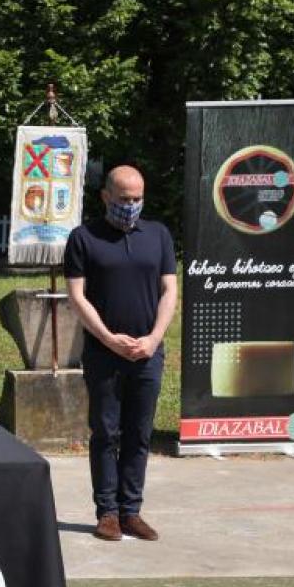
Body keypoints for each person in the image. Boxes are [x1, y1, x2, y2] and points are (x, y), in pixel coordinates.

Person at [65, 165, 177, 542]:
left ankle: (131, 511)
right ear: (106, 197)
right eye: (124, 199)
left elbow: (169, 291)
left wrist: (154, 338)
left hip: (148, 352)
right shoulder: (83, 238)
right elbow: (77, 296)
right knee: (105, 432)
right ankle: (107, 513)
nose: (131, 205)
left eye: (137, 199)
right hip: (103, 354)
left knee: (139, 433)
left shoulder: (158, 235)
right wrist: (109, 339)